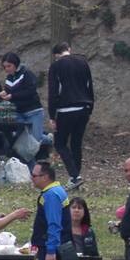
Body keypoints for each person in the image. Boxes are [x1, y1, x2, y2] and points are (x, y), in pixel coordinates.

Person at [46, 43, 95, 190]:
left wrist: (52, 115)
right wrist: (90, 107)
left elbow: (54, 92)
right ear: (69, 50)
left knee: (60, 143)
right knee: (76, 143)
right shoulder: (83, 63)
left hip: (66, 109)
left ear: (56, 55)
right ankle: (75, 179)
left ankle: (74, 176)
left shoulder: (56, 67)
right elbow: (89, 85)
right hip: (84, 107)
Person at [0, 51, 52, 150]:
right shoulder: (9, 77)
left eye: (9, 66)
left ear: (15, 64)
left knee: (35, 140)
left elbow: (30, 91)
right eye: (4, 67)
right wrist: (4, 93)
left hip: (33, 111)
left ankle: (48, 139)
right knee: (22, 139)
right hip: (18, 113)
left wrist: (12, 96)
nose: (6, 69)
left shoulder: (27, 74)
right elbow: (8, 89)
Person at [67, 196, 102, 260]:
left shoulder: (89, 232)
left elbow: (94, 255)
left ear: (84, 212)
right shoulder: (63, 230)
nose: (76, 210)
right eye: (73, 207)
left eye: (80, 208)